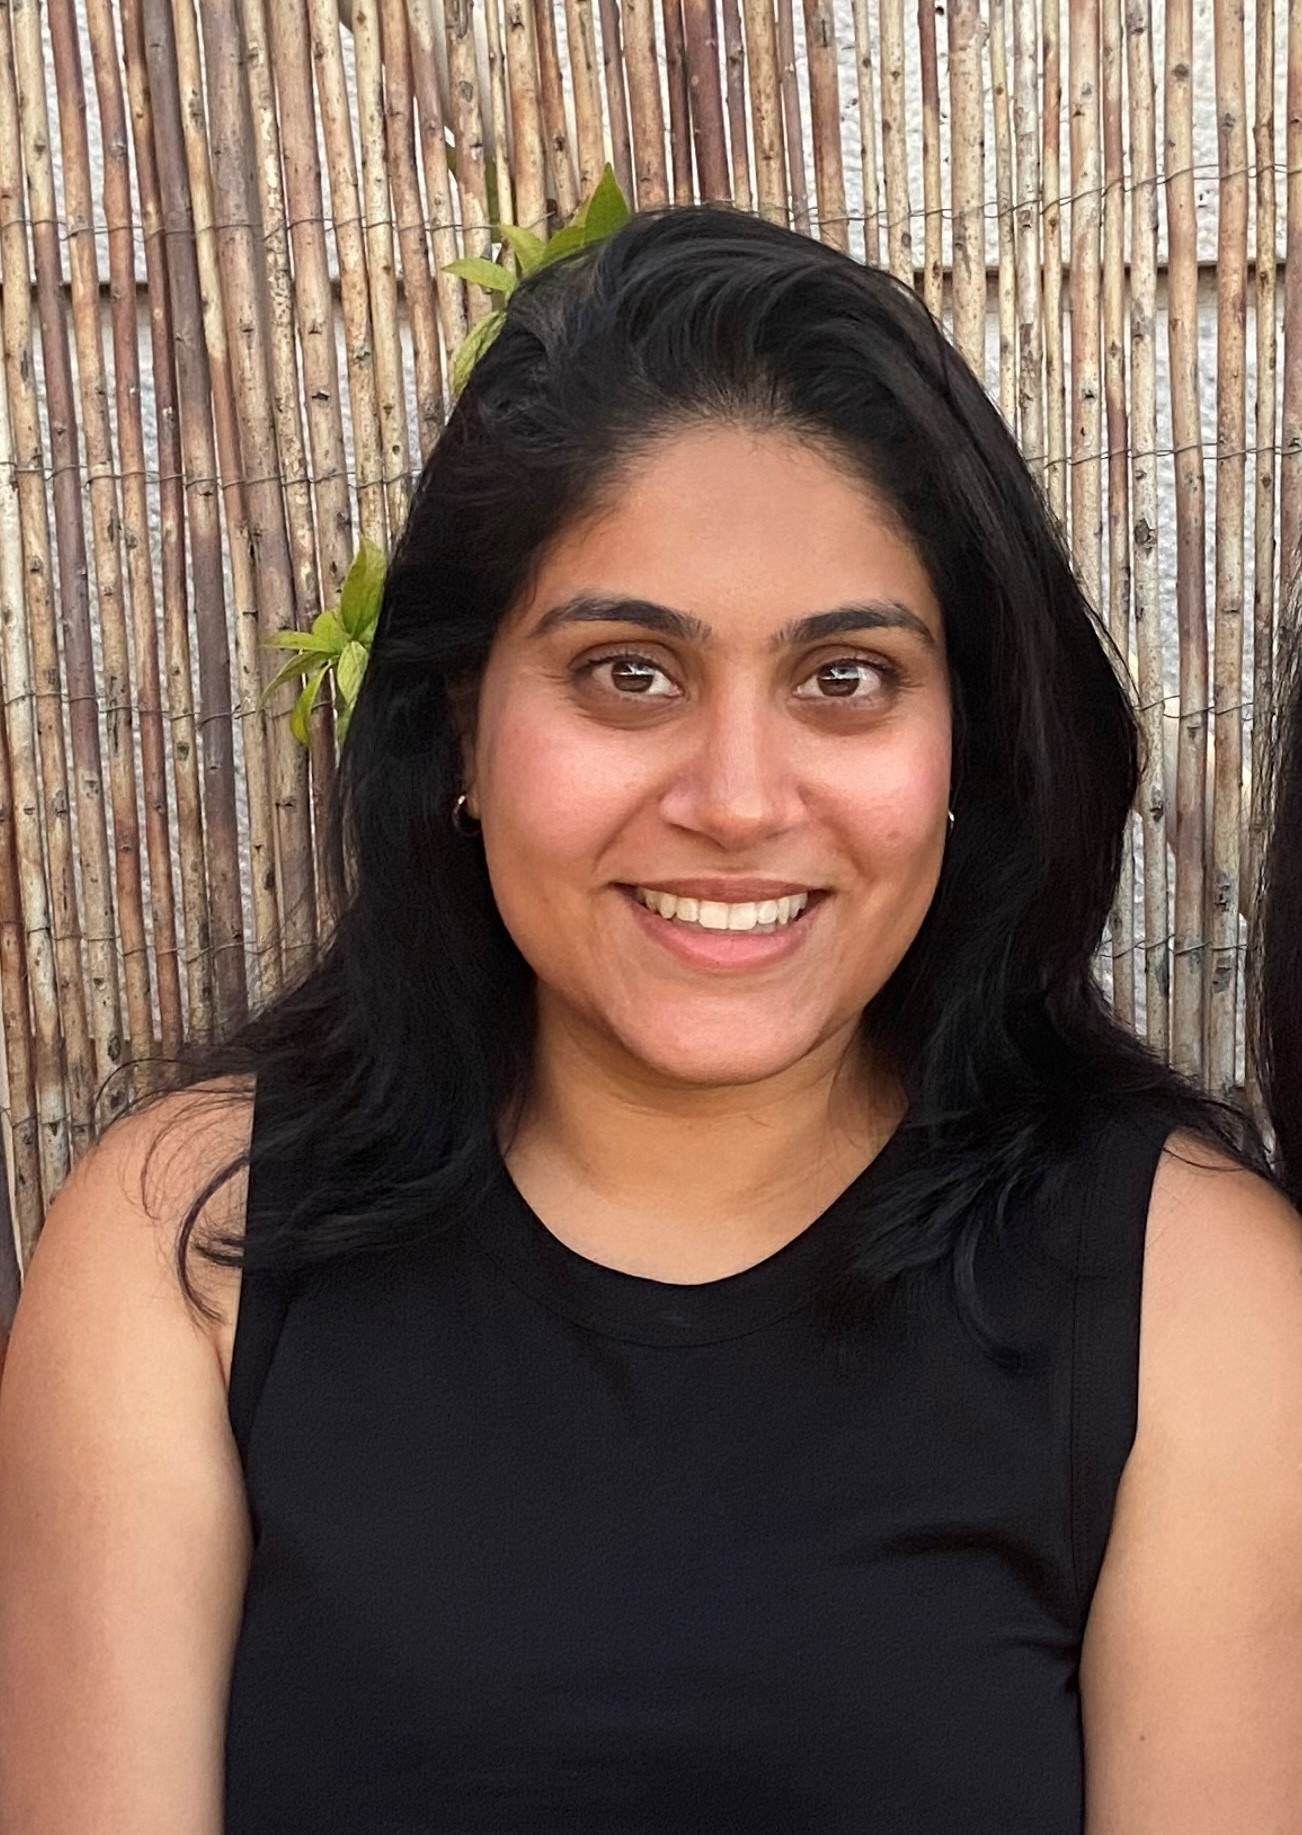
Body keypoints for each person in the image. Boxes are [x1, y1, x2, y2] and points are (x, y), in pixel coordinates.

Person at [1, 203, 1300, 1833]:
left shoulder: (1194, 1299)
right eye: (628, 672)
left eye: (844, 678)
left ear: (967, 744)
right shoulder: (186, 1247)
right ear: (460, 722)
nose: (739, 801)